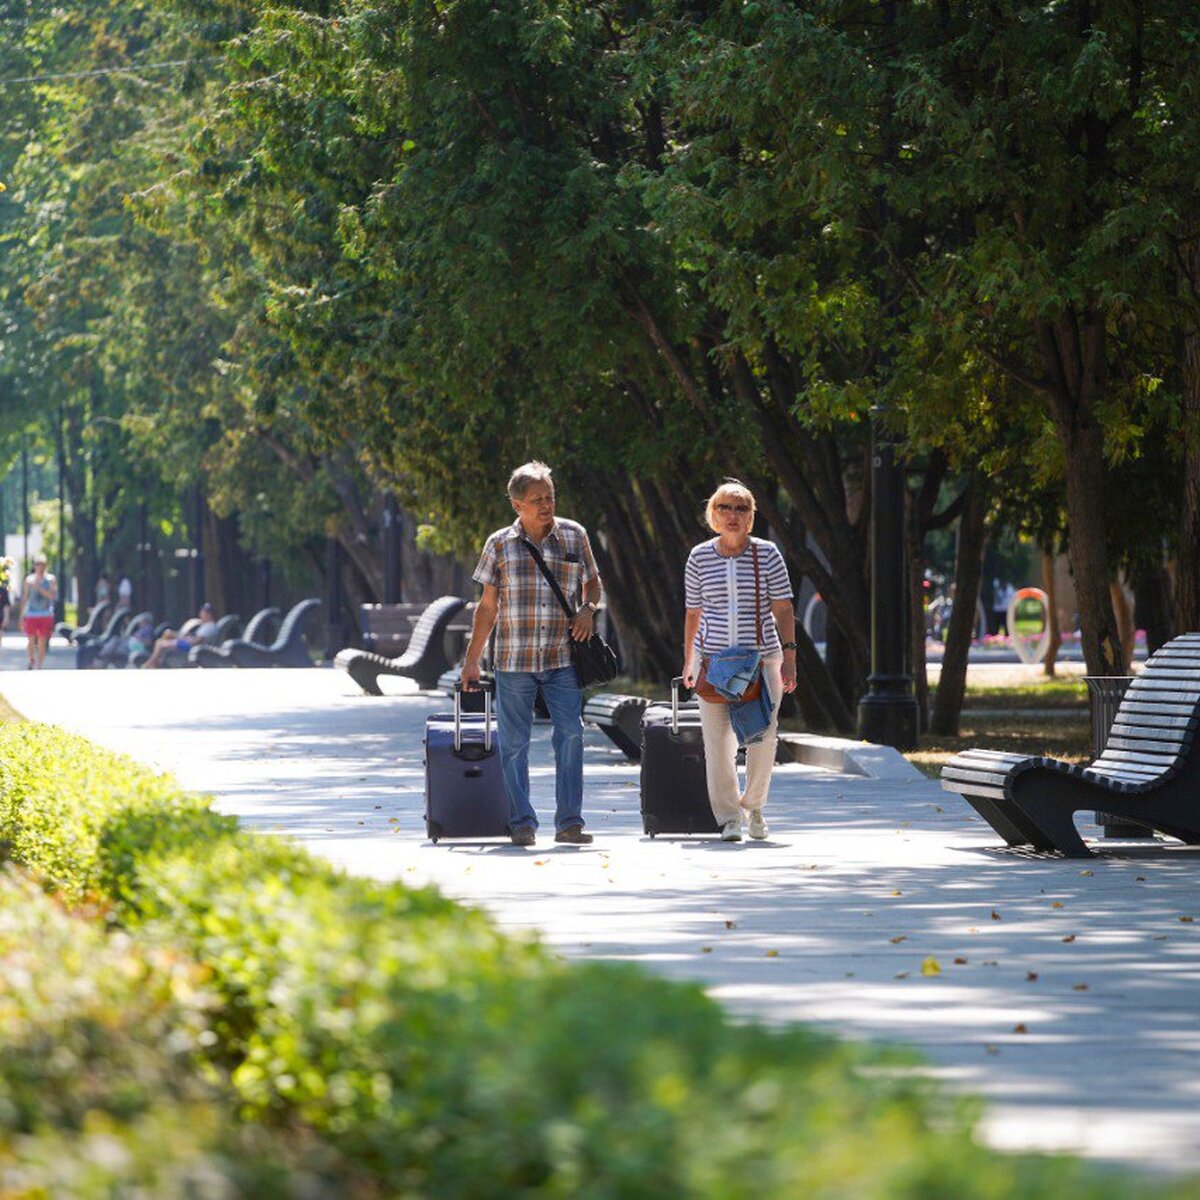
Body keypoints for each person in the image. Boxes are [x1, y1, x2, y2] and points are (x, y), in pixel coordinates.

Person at [462, 461, 602, 847]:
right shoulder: (499, 544)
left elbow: (593, 583)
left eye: (550, 497)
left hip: (562, 657)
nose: (546, 505)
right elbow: (487, 607)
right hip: (514, 659)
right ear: (516, 504)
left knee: (571, 734)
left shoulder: (575, 536)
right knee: (513, 743)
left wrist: (589, 610)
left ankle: (569, 822)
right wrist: (472, 660)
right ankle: (521, 821)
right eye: (537, 499)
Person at [682, 480, 797, 842]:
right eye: (725, 508)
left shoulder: (767, 554)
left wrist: (790, 658)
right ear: (713, 515)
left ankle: (756, 806)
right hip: (714, 664)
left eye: (741, 508)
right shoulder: (699, 556)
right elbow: (693, 613)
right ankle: (730, 817)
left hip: (763, 662)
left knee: (762, 739)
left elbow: (783, 608)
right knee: (718, 745)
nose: (733, 515)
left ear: (751, 517)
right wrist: (689, 661)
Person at [142, 601, 218, 668]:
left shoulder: (209, 627)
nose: (200, 614)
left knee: (160, 644)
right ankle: (157, 662)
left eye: (203, 612)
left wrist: (185, 638)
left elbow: (197, 641)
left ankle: (151, 663)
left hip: (190, 646)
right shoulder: (205, 625)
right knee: (166, 636)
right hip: (189, 643)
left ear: (209, 614)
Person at [21, 554, 58, 670]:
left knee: (42, 640)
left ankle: (39, 666)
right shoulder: (29, 580)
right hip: (31, 614)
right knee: (30, 640)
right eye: (37, 564)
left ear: (45, 566)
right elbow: (25, 598)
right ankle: (31, 659)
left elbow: (52, 596)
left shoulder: (51, 580)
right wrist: (21, 615)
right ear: (34, 566)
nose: (39, 567)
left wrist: (38, 588)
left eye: (42, 565)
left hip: (45, 614)